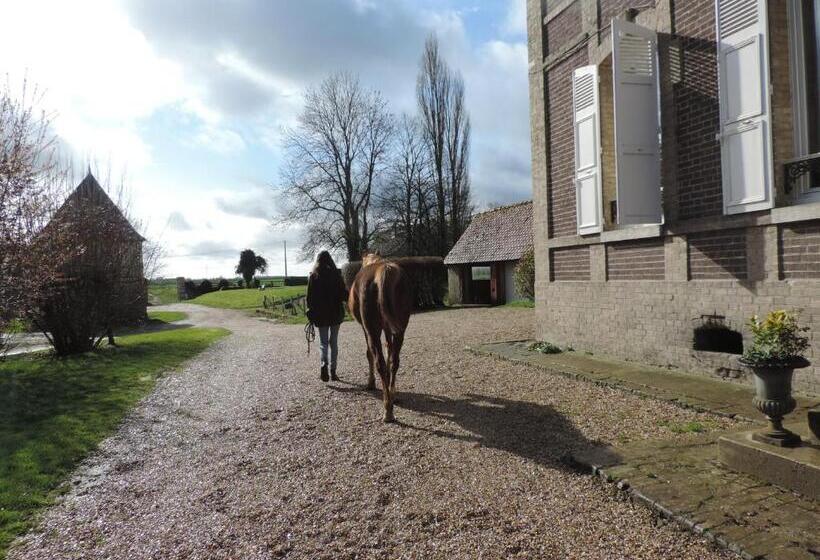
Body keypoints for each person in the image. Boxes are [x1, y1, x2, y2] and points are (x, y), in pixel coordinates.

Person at [306, 251, 347, 382]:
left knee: (323, 343)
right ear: (330, 260)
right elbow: (343, 295)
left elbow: (309, 298)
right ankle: (333, 372)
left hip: (321, 315)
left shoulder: (314, 276)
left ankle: (324, 364)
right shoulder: (336, 274)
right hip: (335, 314)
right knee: (333, 343)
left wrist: (311, 311)